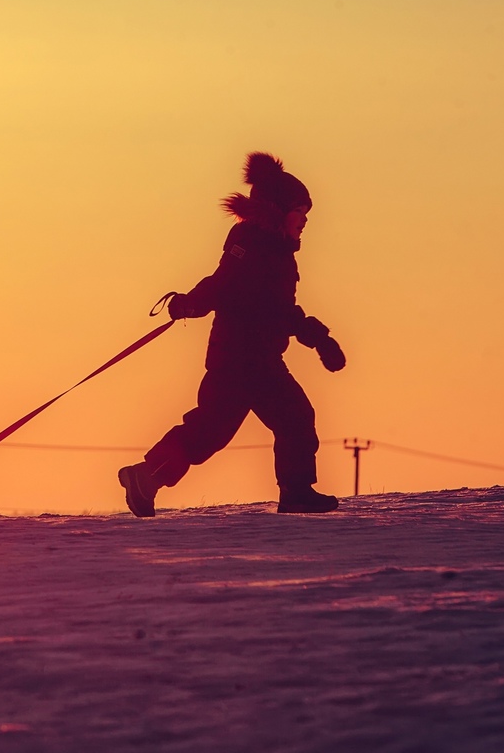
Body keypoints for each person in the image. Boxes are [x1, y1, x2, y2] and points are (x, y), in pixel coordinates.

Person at [118, 152, 345, 517]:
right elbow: (223, 284)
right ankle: (297, 492)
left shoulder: (276, 252)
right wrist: (190, 304)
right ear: (277, 210)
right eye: (299, 212)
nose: (304, 221)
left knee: (210, 431)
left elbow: (278, 309)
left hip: (249, 358)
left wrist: (318, 338)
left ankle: (146, 475)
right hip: (245, 359)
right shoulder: (254, 246)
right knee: (294, 418)